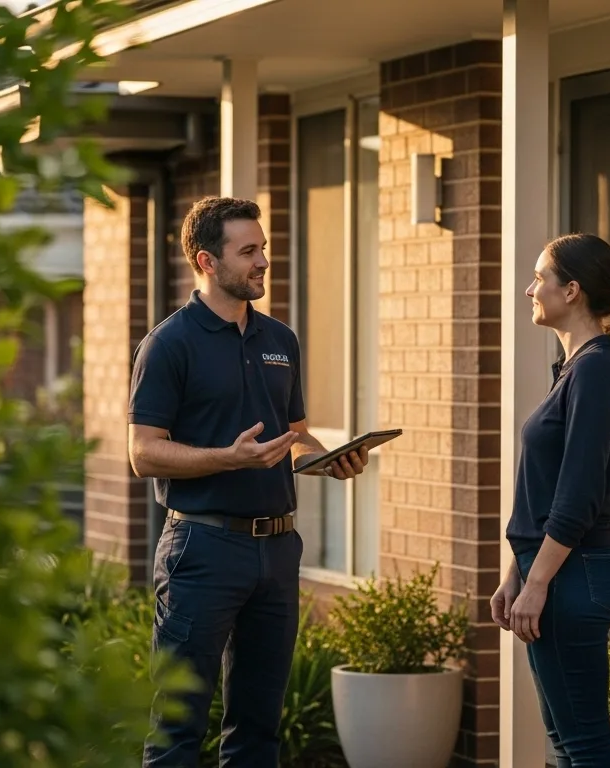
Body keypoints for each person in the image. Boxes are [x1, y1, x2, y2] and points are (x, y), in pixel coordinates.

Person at [127, 196, 368, 767]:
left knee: (259, 728)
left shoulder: (280, 340)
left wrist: (327, 457)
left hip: (278, 551)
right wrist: (228, 458)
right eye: (249, 251)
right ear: (207, 262)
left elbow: (293, 433)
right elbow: (143, 453)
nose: (263, 261)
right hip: (202, 549)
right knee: (177, 728)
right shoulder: (168, 345)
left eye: (264, 248)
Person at [490, 233, 610, 768]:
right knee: (564, 741)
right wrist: (517, 571)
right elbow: (548, 488)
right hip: (559, 568)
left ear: (573, 290)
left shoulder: (597, 369)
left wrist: (537, 581)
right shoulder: (575, 369)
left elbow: (578, 494)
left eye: (540, 277)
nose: (530, 288)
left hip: (574, 572)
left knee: (583, 743)